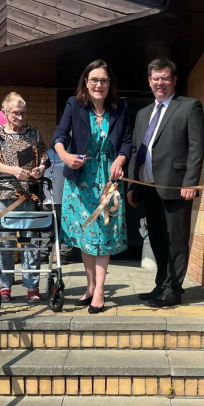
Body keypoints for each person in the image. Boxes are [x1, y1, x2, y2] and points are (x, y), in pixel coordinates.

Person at [52, 59, 132, 314]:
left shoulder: (121, 107)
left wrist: (120, 159)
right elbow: (60, 135)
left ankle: (99, 291)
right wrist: (63, 155)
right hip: (80, 179)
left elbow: (128, 141)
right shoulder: (74, 105)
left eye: (104, 80)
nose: (99, 84)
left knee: (104, 233)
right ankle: (89, 286)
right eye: (94, 80)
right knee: (87, 235)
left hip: (108, 179)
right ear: (86, 83)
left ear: (110, 84)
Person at [128, 58, 204, 308]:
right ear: (149, 81)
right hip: (148, 187)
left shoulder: (189, 106)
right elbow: (134, 151)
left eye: (164, 78)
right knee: (158, 239)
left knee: (176, 239)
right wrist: (133, 185)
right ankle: (162, 283)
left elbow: (196, 146)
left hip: (176, 186)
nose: (159, 83)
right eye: (155, 78)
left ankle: (174, 288)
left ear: (174, 80)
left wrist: (191, 181)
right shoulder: (142, 114)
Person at [0, 92, 50, 303]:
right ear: (4, 113)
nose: (21, 118)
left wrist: (40, 169)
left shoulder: (33, 132)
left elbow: (43, 156)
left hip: (30, 192)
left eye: (23, 113)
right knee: (5, 241)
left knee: (30, 240)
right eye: (16, 113)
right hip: (5, 191)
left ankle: (32, 287)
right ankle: (4, 287)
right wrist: (14, 170)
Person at [41, 147, 72, 265]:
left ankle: (63, 255)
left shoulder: (68, 153)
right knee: (46, 229)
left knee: (67, 229)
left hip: (64, 199)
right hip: (46, 199)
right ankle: (43, 254)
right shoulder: (47, 154)